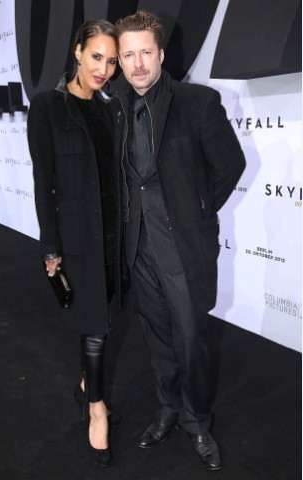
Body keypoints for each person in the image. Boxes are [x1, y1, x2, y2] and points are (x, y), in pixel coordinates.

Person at [113, 10, 246, 471]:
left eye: (145, 52)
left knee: (191, 339)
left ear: (161, 54)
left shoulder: (198, 103)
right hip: (138, 246)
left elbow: (231, 165)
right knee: (157, 339)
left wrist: (198, 209)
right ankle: (167, 408)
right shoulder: (116, 108)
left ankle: (197, 422)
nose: (137, 64)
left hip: (182, 246)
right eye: (127, 55)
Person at [27, 19, 122, 467]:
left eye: (112, 60)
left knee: (103, 317)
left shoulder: (111, 109)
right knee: (95, 330)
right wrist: (50, 246)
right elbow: (42, 181)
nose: (104, 68)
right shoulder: (47, 107)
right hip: (77, 235)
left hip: (112, 236)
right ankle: (97, 410)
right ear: (78, 52)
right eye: (97, 56)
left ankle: (87, 385)